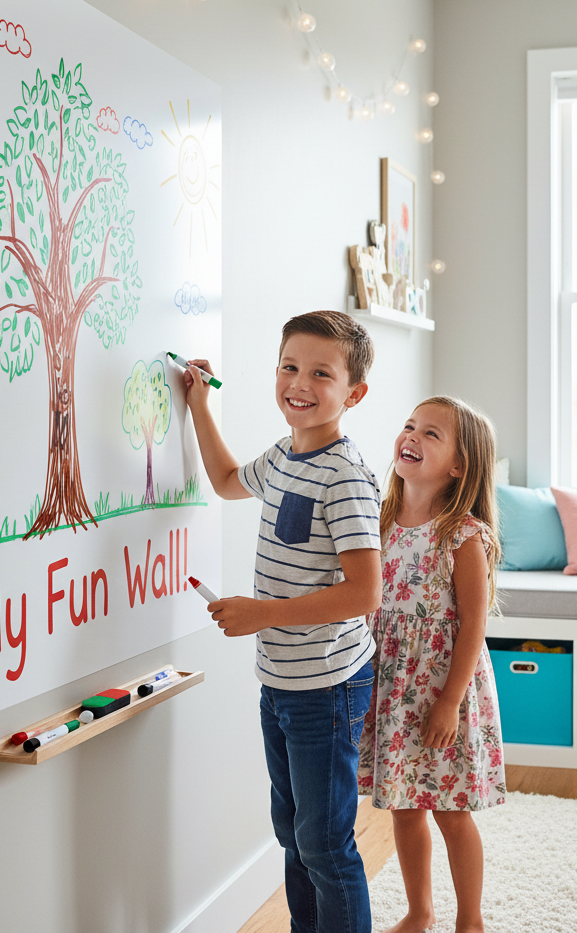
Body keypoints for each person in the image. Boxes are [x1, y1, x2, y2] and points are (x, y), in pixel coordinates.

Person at [182, 310, 383, 933]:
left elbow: (365, 593)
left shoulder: (346, 477)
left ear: (353, 394)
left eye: (320, 373)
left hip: (326, 686)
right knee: (294, 835)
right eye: (289, 366)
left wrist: (262, 614)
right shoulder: (283, 458)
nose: (299, 382)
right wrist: (196, 403)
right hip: (282, 681)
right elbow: (223, 480)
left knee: (324, 843)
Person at [358, 396, 506, 933]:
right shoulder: (381, 521)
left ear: (460, 465)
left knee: (449, 810)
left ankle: (471, 920)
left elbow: (473, 627)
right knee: (403, 807)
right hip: (395, 686)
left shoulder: (463, 534)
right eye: (409, 426)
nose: (412, 437)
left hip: (445, 690)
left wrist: (448, 702)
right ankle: (419, 912)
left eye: (431, 434)